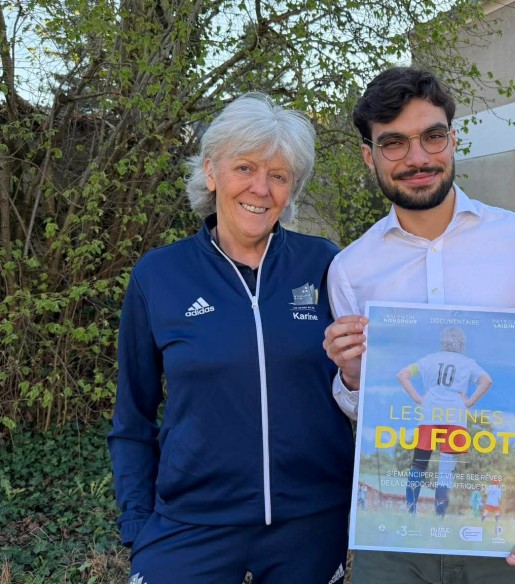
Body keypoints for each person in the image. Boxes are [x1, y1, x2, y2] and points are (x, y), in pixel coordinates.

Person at [322, 66, 515, 583]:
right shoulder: (350, 269)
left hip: (507, 517)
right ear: (368, 155)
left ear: (452, 140)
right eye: (394, 143)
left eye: (432, 136)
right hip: (393, 536)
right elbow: (363, 409)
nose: (417, 158)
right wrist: (354, 377)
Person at [107, 93, 354, 584]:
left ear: (292, 188)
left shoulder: (327, 264)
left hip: (310, 525)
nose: (260, 188)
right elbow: (132, 414)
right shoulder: (159, 275)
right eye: (245, 167)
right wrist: (137, 522)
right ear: (211, 172)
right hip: (190, 524)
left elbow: (360, 385)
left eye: (278, 175)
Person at [397, 326, 493, 517]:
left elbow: (403, 375)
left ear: (442, 342)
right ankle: (439, 516)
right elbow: (486, 381)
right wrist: (469, 402)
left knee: (418, 464)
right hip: (455, 417)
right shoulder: (468, 363)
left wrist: (418, 398)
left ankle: (410, 512)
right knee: (446, 471)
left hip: (429, 414)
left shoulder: (429, 359)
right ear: (462, 343)